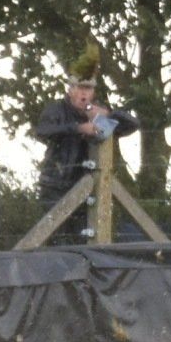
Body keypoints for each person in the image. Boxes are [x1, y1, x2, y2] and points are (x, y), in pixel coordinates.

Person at [33, 75, 138, 243]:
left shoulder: (97, 111)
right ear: (70, 90)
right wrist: (78, 128)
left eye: (88, 89)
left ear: (93, 92)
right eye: (80, 88)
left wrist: (108, 115)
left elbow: (132, 125)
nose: (84, 93)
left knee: (84, 238)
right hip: (56, 186)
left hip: (89, 186)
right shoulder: (56, 109)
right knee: (56, 239)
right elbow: (42, 132)